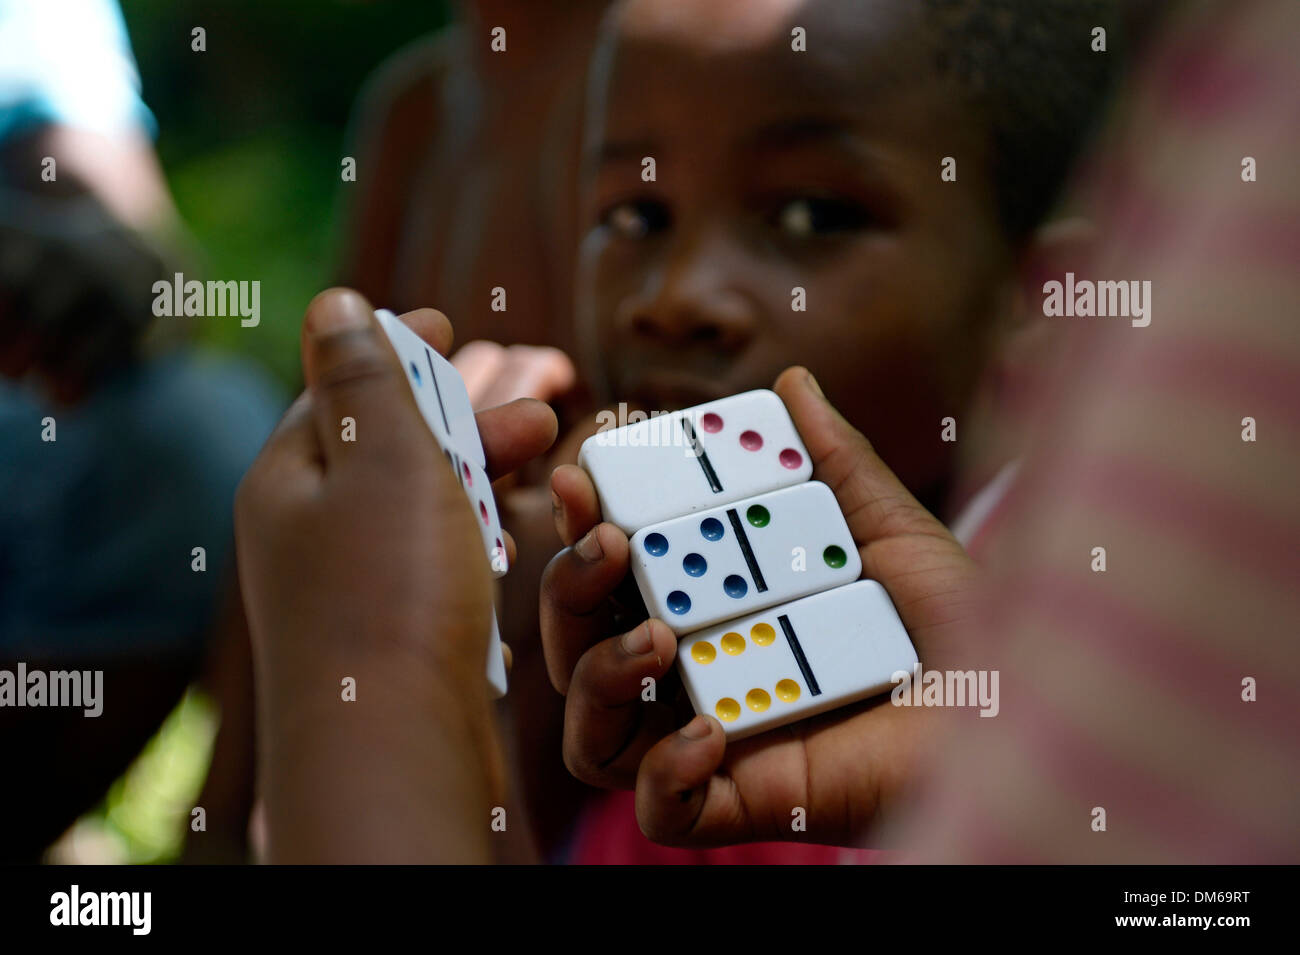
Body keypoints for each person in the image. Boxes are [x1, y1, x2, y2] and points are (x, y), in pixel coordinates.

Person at [538, 0, 1127, 862]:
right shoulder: (690, 695)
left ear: (1044, 298)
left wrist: (394, 652)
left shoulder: (1121, 660)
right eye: (635, 216)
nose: (672, 299)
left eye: (812, 215)